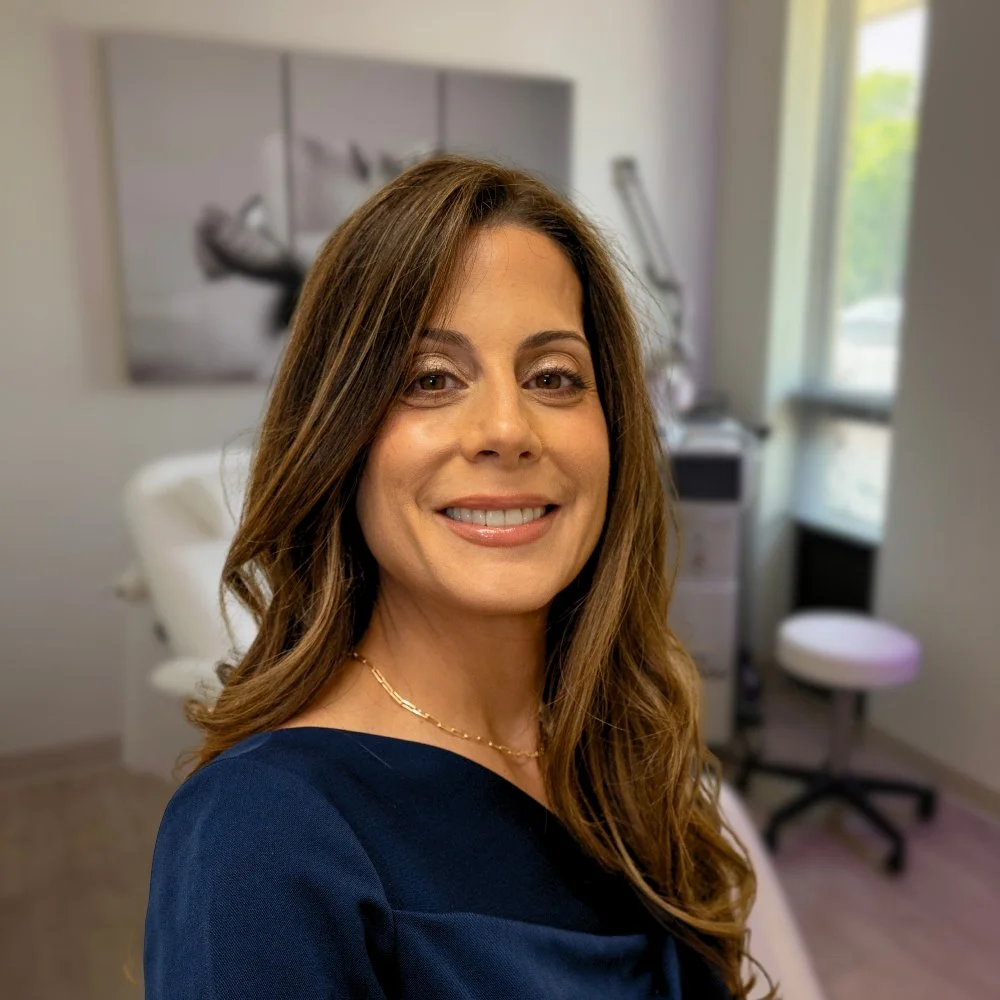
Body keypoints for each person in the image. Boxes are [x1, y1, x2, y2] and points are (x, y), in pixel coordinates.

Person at [143, 155, 772, 999]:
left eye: (553, 377)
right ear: (341, 437)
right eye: (430, 380)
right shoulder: (262, 841)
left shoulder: (623, 739)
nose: (507, 429)